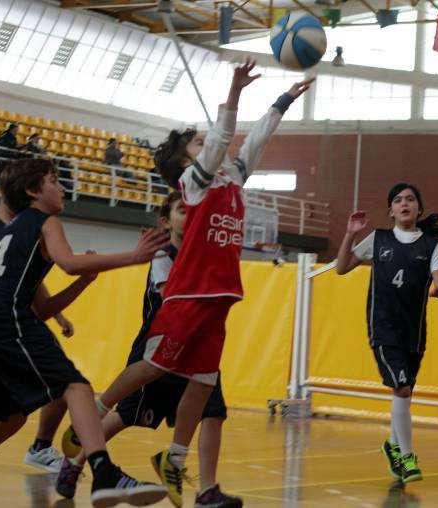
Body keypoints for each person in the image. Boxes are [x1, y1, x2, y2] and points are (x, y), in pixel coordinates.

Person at [63, 59, 313, 508]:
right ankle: (92, 415)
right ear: (187, 160)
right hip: (189, 294)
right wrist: (233, 95)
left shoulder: (231, 178)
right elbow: (221, 139)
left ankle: (176, 459)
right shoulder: (192, 184)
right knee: (154, 365)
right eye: (199, 143)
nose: (211, 144)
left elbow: (255, 142)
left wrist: (282, 102)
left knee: (202, 380)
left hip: (220, 298)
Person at [0, 158, 170, 507]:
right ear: (34, 191)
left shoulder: (13, 229)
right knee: (76, 386)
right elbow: (68, 263)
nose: (62, 187)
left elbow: (43, 309)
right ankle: (104, 472)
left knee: (9, 417)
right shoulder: (46, 221)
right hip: (0, 316)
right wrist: (134, 255)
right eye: (54, 180)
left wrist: (85, 282)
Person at [60, 191, 242, 507]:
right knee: (129, 415)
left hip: (199, 340)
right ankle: (78, 456)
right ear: (164, 221)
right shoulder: (163, 255)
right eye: (181, 211)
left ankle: (206, 489)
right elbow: (173, 294)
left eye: (193, 212)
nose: (189, 216)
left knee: (214, 412)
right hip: (161, 342)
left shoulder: (202, 252)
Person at [0, 165, 78, 479]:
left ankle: (41, 446)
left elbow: (32, 280)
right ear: (0, 190)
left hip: (19, 317)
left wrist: (59, 315)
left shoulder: (30, 224)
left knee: (63, 381)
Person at [335, 183, 438, 484]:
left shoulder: (430, 247)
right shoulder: (379, 239)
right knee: (401, 389)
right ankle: (409, 457)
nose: (404, 204)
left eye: (410, 199)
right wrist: (350, 233)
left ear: (419, 209)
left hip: (413, 331)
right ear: (391, 210)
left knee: (405, 393)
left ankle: (393, 445)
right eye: (398, 200)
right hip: (383, 327)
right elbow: (341, 267)